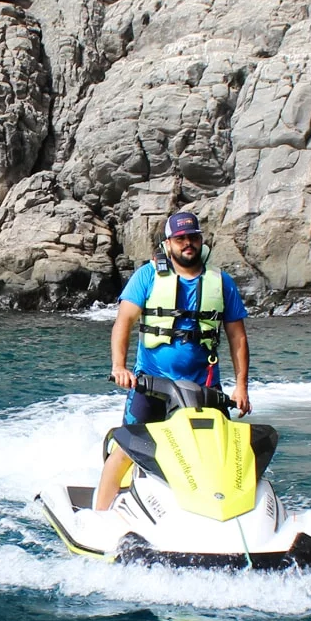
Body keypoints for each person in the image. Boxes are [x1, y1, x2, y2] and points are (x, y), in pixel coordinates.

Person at [95, 211, 251, 510]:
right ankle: (98, 516)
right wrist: (119, 366)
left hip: (203, 384)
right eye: (180, 239)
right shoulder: (148, 275)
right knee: (128, 448)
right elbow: (123, 323)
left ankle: (227, 512)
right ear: (168, 243)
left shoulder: (222, 282)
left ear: (201, 240)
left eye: (193, 237)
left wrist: (241, 386)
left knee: (222, 454)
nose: (187, 244)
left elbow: (238, 337)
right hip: (151, 382)